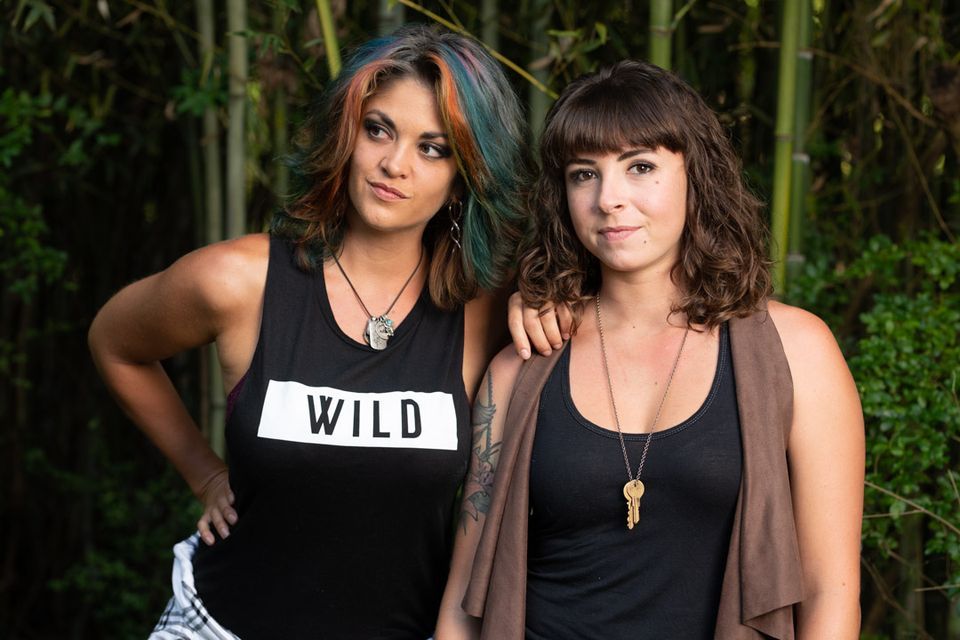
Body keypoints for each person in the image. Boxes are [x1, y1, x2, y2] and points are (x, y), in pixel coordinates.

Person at [89, 25, 532, 639]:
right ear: (346, 134)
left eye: (433, 149)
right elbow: (114, 343)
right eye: (378, 129)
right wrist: (205, 474)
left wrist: (547, 306)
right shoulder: (240, 281)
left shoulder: (486, 311)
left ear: (464, 178)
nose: (394, 164)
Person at [436, 60, 865, 639]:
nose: (609, 198)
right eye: (584, 174)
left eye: (640, 167)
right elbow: (464, 599)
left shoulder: (798, 352)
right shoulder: (523, 362)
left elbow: (830, 592)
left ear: (697, 175)